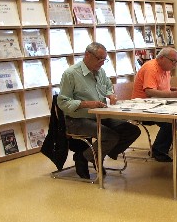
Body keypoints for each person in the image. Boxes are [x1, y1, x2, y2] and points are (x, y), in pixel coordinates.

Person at [57, 42, 141, 179]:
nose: (102, 63)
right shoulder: (71, 74)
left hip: (100, 115)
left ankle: (90, 155)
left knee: (132, 130)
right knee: (110, 136)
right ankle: (90, 157)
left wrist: (111, 95)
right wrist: (85, 104)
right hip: (77, 119)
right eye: (99, 59)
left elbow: (108, 87)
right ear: (87, 55)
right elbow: (63, 102)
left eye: (104, 60)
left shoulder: (100, 71)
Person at [132, 47, 177, 162]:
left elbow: (163, 88)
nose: (175, 64)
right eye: (173, 61)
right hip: (143, 106)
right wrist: (174, 94)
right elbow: (149, 91)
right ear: (161, 58)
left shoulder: (165, 68)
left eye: (176, 62)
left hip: (159, 104)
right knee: (173, 118)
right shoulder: (151, 68)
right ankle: (158, 150)